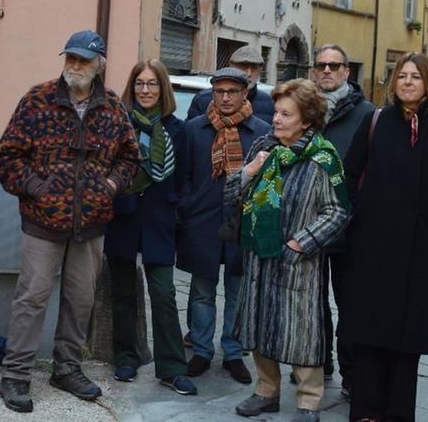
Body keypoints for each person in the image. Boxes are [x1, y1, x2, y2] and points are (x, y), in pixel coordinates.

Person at [0, 30, 138, 414]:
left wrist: (108, 185)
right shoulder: (38, 99)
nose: (74, 66)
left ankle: (67, 368)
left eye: (83, 60)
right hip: (44, 220)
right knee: (32, 297)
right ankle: (15, 374)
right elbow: (8, 156)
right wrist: (38, 189)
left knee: (80, 300)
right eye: (70, 58)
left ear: (99, 65)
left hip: (91, 222)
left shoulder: (111, 107)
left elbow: (130, 159)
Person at [340, 52, 428, 422]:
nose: (408, 82)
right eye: (402, 76)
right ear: (394, 82)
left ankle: (397, 414)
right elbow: (349, 173)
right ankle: (365, 412)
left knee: (405, 340)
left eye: (416, 76)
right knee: (368, 334)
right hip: (371, 246)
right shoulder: (374, 121)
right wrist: (363, 212)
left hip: (419, 251)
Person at [229, 80, 350, 422]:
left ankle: (308, 401)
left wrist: (302, 243)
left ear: (307, 120)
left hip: (298, 264)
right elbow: (231, 195)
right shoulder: (262, 149)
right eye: (276, 112)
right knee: (258, 326)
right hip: (259, 259)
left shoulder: (323, 158)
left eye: (286, 114)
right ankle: (266, 392)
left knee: (301, 333)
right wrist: (248, 172)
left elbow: (338, 211)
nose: (277, 119)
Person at [104, 59, 196, 395]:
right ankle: (126, 358)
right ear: (132, 87)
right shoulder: (118, 124)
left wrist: (176, 205)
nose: (145, 90)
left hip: (159, 221)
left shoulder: (177, 129)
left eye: (152, 84)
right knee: (124, 294)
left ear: (163, 89)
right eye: (140, 84)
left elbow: (185, 176)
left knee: (164, 294)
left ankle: (171, 368)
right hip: (123, 218)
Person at [177, 67, 271, 384]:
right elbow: (184, 175)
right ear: (212, 94)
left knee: (237, 292)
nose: (226, 97)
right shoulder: (194, 129)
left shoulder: (260, 131)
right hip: (202, 221)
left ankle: (233, 353)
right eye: (220, 91)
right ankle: (202, 350)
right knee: (202, 291)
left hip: (241, 223)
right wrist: (188, 207)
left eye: (233, 91)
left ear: (245, 94)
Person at [310, 43, 374, 393]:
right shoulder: (304, 110)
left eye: (335, 65)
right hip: (309, 226)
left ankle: (352, 374)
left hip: (352, 227)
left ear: (347, 71)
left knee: (351, 304)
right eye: (321, 65)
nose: (328, 71)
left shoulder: (368, 114)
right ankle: (318, 365)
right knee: (313, 304)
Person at [186, 45, 275, 125]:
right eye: (243, 67)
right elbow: (189, 136)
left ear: (260, 70)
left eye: (254, 68)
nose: (249, 73)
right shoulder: (202, 99)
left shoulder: (268, 103)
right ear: (231, 67)